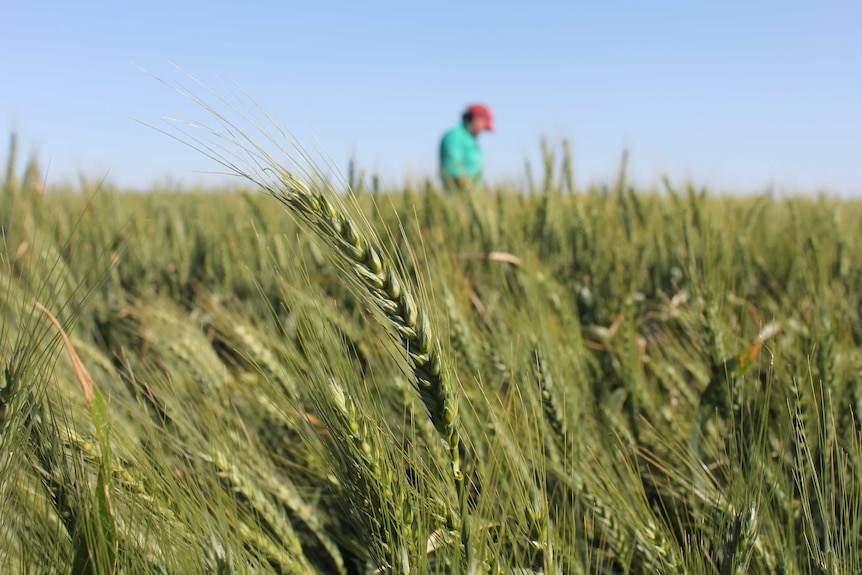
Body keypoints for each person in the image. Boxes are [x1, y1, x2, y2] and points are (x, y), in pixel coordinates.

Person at [439, 104, 495, 190]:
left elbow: (476, 173)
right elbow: (453, 169)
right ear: (475, 119)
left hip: (474, 196)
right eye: (483, 125)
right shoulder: (454, 136)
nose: (483, 130)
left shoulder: (471, 141)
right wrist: (470, 190)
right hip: (459, 196)